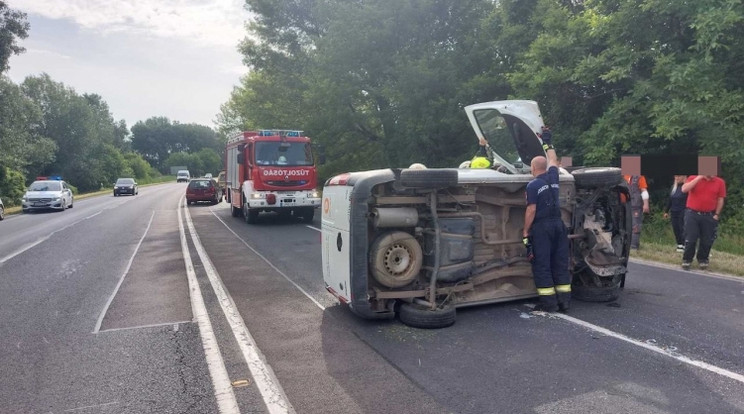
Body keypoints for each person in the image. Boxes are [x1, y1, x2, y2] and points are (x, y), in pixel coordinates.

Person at [523, 126, 570, 312]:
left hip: (542, 228)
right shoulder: (554, 177)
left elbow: (531, 209)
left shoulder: (533, 185)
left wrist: (526, 230)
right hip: (559, 225)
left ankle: (548, 304)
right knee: (559, 263)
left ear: (533, 168)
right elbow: (552, 159)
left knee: (542, 264)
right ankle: (564, 301)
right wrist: (547, 141)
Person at [680, 174, 726, 270]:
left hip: (709, 214)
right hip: (692, 213)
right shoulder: (693, 178)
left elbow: (720, 199)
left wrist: (717, 214)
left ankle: (703, 259)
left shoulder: (720, 182)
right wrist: (699, 178)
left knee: (707, 239)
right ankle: (687, 260)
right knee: (691, 237)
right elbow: (684, 189)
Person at [623, 174, 650, 249]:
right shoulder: (623, 176)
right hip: (625, 205)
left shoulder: (640, 177)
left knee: (635, 226)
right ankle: (625, 245)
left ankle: (634, 246)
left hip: (636, 206)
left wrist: (646, 204)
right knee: (625, 225)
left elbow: (644, 191)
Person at [663, 175, 688, 252]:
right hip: (674, 211)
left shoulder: (686, 187)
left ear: (683, 177)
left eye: (679, 176)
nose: (677, 178)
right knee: (675, 228)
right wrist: (666, 211)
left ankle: (685, 244)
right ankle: (679, 244)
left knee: (682, 228)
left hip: (683, 210)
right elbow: (670, 200)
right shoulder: (673, 187)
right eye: (676, 176)